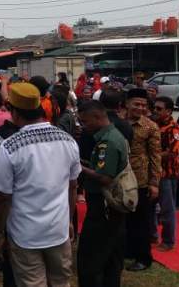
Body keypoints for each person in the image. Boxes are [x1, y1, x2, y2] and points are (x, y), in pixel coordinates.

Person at [0, 83, 80, 286]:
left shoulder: (10, 146)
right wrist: (68, 221)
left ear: (14, 112)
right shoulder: (67, 141)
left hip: (25, 234)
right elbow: (73, 185)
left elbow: (2, 196)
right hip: (58, 230)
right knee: (61, 282)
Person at [76, 101, 128, 287]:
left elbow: (105, 177)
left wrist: (79, 167)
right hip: (110, 207)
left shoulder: (108, 142)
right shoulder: (111, 136)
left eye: (85, 121)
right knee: (111, 259)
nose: (84, 125)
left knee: (91, 260)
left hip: (103, 206)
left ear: (98, 117)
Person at [124, 88, 162, 271]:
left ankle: (144, 258)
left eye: (144, 105)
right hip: (121, 178)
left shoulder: (150, 127)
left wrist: (154, 183)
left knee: (141, 221)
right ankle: (128, 250)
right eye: (136, 104)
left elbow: (155, 157)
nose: (140, 108)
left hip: (141, 180)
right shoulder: (118, 122)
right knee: (125, 219)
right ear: (127, 104)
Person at [150, 96, 179, 251]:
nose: (155, 111)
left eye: (159, 109)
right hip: (153, 172)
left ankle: (168, 241)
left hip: (167, 174)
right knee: (151, 207)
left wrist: (151, 155)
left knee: (167, 209)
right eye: (154, 108)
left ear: (169, 111)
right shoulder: (153, 125)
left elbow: (173, 152)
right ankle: (153, 235)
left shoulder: (173, 128)